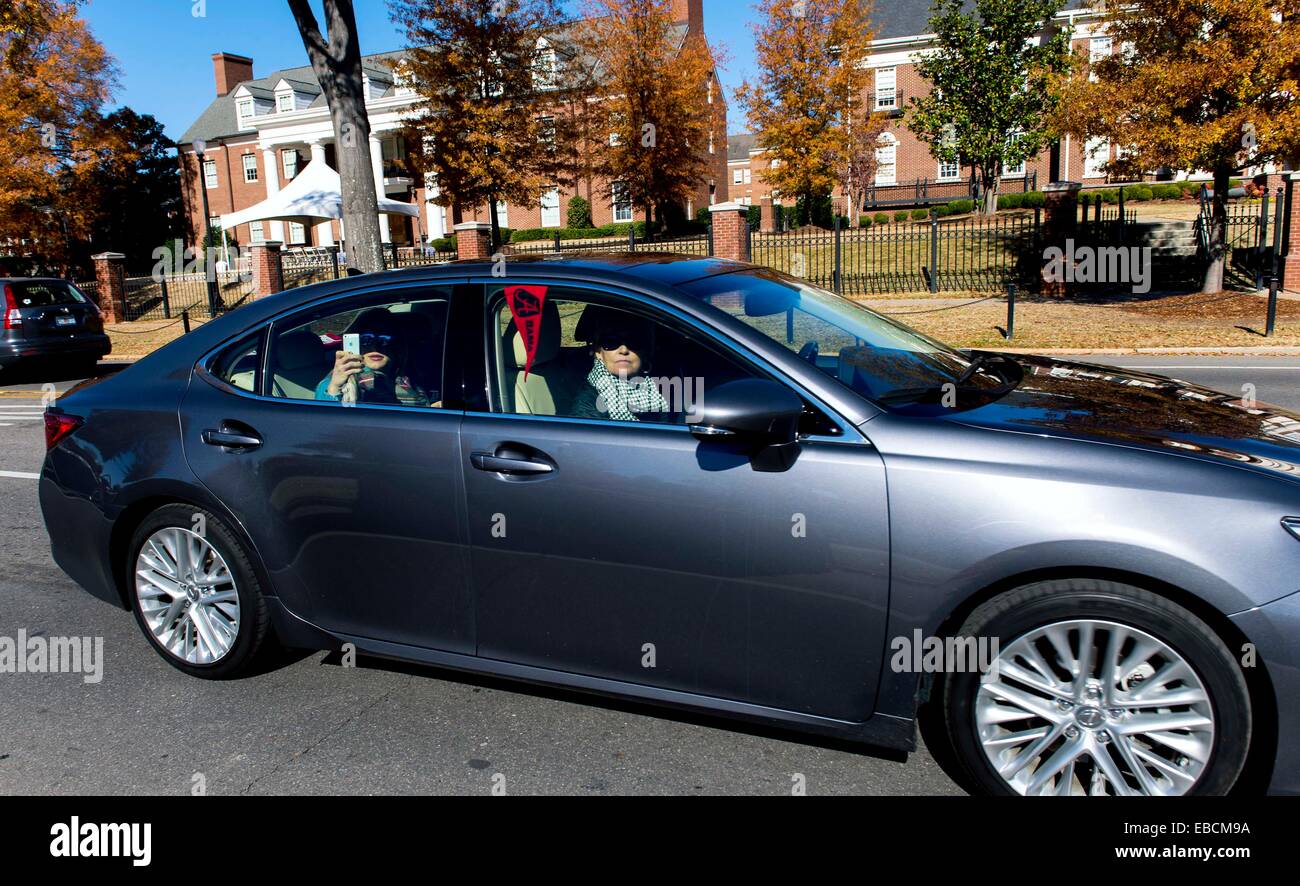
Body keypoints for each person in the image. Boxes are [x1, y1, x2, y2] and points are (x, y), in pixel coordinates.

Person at [315, 309, 436, 407]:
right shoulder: (338, 380)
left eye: (385, 339)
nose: (375, 346)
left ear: (397, 346)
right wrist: (335, 387)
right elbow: (324, 420)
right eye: (367, 339)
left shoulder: (408, 378)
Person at [569, 313, 674, 422]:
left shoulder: (659, 387)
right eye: (611, 342)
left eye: (633, 342)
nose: (623, 350)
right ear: (598, 351)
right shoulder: (588, 403)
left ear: (645, 352)